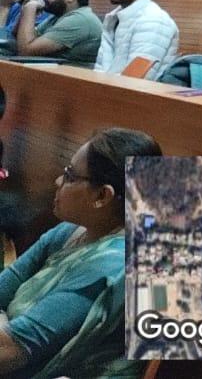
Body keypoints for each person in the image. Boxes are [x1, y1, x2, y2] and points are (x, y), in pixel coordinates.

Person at [0, 128, 162, 377]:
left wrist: (6, 328)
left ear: (102, 196)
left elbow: (8, 353)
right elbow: (4, 287)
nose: (58, 181)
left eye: (69, 175)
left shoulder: (110, 268)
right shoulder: (72, 231)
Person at [94, 0, 179, 74]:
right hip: (107, 84)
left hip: (133, 86)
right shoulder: (112, 18)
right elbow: (101, 67)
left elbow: (135, 76)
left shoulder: (154, 20)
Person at [13, 0, 102, 67]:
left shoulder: (80, 19)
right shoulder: (58, 16)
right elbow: (19, 38)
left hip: (71, 75)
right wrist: (25, 11)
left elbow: (26, 51)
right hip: (51, 71)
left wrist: (30, 8)